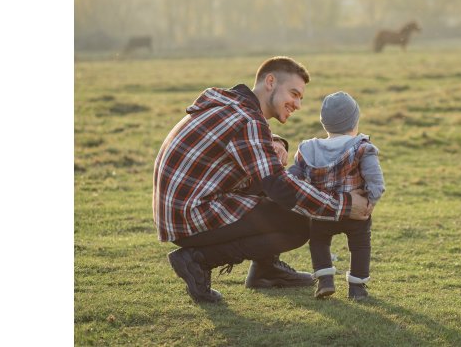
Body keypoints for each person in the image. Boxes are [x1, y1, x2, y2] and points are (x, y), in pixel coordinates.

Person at [152, 56, 374, 303]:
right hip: (191, 217)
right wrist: (344, 204)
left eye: (300, 97)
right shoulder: (248, 120)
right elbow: (280, 187)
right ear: (270, 82)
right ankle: (197, 260)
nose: (298, 104)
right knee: (299, 223)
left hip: (180, 212)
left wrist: (276, 141)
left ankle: (266, 269)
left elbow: (247, 148)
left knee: (274, 181)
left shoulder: (233, 104)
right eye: (293, 93)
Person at [287, 91, 385, 300]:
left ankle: (325, 281)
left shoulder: (309, 149)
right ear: (354, 121)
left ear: (325, 124)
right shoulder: (362, 147)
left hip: (323, 212)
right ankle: (357, 288)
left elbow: (294, 175)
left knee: (319, 243)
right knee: (360, 246)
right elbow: (375, 180)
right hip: (356, 214)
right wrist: (370, 202)